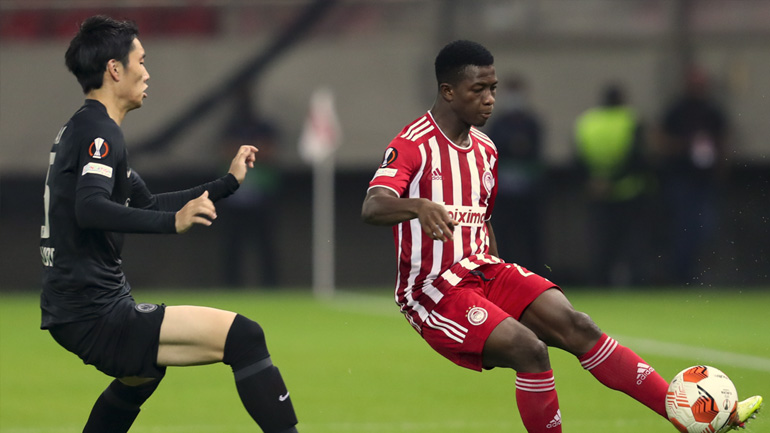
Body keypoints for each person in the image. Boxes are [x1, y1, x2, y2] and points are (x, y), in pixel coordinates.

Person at [361, 39, 761, 433]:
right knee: (530, 350)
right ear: (448, 91)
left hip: (485, 271)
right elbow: (373, 206)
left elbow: (482, 219)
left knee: (579, 326)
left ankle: (688, 419)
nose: (490, 99)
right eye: (478, 89)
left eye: (493, 88)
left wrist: (498, 275)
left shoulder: (485, 149)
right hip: (434, 293)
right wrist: (419, 206)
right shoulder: (412, 144)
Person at [39, 16, 298, 433]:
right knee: (245, 336)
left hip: (78, 307)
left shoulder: (86, 127)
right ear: (114, 69)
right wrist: (172, 223)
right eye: (141, 60)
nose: (147, 72)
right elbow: (90, 208)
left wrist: (227, 183)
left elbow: (148, 204)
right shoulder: (100, 132)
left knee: (141, 374)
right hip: (93, 310)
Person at [656, 65, 729, 284]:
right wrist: (685, 145)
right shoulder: (677, 110)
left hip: (705, 180)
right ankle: (681, 275)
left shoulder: (712, 110)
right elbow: (661, 140)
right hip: (682, 177)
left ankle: (699, 273)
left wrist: (720, 166)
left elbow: (723, 140)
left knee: (705, 228)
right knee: (683, 227)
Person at [573, 83, 652, 286]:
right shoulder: (631, 119)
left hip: (596, 192)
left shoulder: (587, 122)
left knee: (600, 242)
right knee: (633, 244)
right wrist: (613, 180)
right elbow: (637, 157)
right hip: (628, 192)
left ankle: (599, 283)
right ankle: (636, 283)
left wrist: (593, 180)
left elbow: (578, 157)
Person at [219, 82, 281, 288]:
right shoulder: (231, 126)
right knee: (232, 245)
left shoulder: (263, 126)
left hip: (262, 193)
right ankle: (231, 285)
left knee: (265, 243)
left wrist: (242, 152)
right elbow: (225, 151)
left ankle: (270, 284)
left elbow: (269, 151)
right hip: (234, 194)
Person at [484, 75, 546, 272]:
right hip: (504, 193)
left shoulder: (532, 122)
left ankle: (534, 274)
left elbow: (535, 151)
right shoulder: (498, 123)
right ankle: (505, 273)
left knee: (530, 237)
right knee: (504, 237)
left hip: (529, 192)